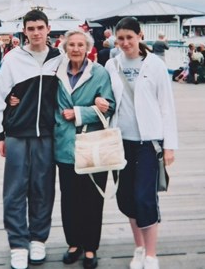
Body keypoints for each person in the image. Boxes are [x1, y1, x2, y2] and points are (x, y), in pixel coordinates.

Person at [0, 10, 63, 269]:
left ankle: (38, 239)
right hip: (17, 133)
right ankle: (18, 243)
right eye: (30, 28)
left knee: (43, 188)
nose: (35, 33)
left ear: (48, 28)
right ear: (24, 31)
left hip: (47, 134)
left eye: (40, 28)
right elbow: (0, 96)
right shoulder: (13, 59)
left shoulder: (59, 59)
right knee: (15, 190)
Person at [104, 17, 178, 269]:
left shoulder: (155, 64)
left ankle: (151, 254)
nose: (125, 43)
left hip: (148, 142)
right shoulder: (111, 65)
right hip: (121, 141)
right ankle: (138, 248)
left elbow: (166, 106)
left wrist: (169, 145)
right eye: (120, 38)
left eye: (129, 37)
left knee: (145, 197)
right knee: (126, 198)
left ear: (140, 36)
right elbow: (106, 99)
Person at [54, 30, 115, 268]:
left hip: (93, 145)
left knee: (91, 199)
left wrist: (79, 113)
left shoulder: (99, 73)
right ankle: (73, 243)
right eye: (72, 45)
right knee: (69, 198)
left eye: (81, 45)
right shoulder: (56, 73)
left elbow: (108, 106)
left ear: (88, 48)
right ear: (65, 48)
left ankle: (90, 247)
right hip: (65, 145)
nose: (76, 49)